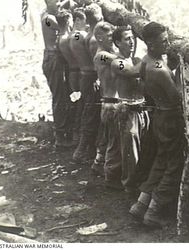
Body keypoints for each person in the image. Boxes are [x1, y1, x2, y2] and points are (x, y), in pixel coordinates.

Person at [129, 22, 185, 227]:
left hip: (159, 117)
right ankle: (154, 211)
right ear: (150, 43)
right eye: (163, 41)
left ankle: (141, 204)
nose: (168, 44)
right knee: (173, 165)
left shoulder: (146, 61)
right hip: (170, 118)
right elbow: (177, 97)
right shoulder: (159, 69)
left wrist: (172, 67)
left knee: (161, 161)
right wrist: (178, 74)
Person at [110, 26, 148, 192]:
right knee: (130, 151)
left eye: (133, 38)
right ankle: (129, 185)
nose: (132, 42)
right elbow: (133, 72)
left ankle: (138, 182)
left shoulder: (138, 60)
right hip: (127, 111)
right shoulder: (116, 62)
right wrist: (153, 57)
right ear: (118, 42)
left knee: (143, 148)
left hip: (141, 109)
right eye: (127, 39)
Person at [72, 3, 103, 162]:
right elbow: (98, 61)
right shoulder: (94, 39)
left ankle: (86, 150)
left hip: (86, 77)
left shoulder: (87, 35)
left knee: (88, 111)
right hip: (92, 78)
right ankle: (81, 152)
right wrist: (99, 78)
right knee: (90, 113)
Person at [91, 22, 122, 185]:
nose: (113, 39)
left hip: (109, 103)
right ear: (100, 38)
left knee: (108, 139)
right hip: (111, 103)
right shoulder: (102, 55)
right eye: (110, 36)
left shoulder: (107, 53)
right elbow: (122, 61)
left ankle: (98, 164)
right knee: (114, 143)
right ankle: (111, 177)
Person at [41, 0, 71, 148]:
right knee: (59, 96)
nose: (59, 4)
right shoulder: (48, 19)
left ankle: (63, 131)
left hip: (54, 58)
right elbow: (65, 28)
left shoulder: (48, 14)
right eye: (55, 1)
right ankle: (60, 136)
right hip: (53, 59)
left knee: (62, 94)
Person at [56, 9, 79, 146]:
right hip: (76, 72)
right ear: (68, 21)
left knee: (75, 103)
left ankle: (74, 136)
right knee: (77, 104)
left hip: (71, 72)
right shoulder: (67, 38)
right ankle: (76, 137)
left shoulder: (61, 37)